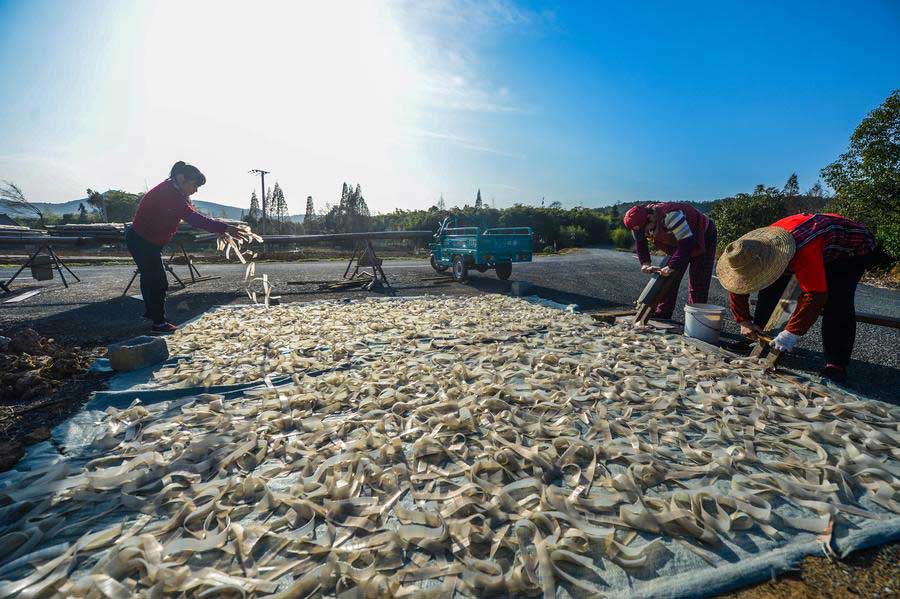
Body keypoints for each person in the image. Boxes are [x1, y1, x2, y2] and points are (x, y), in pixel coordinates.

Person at [716, 213, 875, 382]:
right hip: (808, 241)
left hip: (850, 250)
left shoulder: (803, 249)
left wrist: (791, 333)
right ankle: (759, 336)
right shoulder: (744, 249)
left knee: (837, 301)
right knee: (770, 288)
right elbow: (739, 284)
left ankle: (836, 363)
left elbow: (815, 294)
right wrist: (744, 321)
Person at [125, 161, 242, 334]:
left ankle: (152, 314)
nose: (196, 190)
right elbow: (194, 219)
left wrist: (219, 229)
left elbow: (191, 215)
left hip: (147, 241)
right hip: (142, 240)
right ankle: (158, 323)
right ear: (181, 179)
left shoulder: (175, 192)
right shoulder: (169, 194)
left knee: (150, 277)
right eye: (194, 185)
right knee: (157, 281)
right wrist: (224, 228)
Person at [622, 202, 717, 320]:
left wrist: (672, 266)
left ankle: (696, 319)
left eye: (645, 230)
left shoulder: (671, 216)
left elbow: (687, 244)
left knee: (698, 281)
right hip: (679, 239)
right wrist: (645, 264)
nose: (645, 233)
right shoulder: (638, 222)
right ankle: (663, 313)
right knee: (667, 278)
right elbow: (640, 242)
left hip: (704, 234)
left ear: (650, 217)